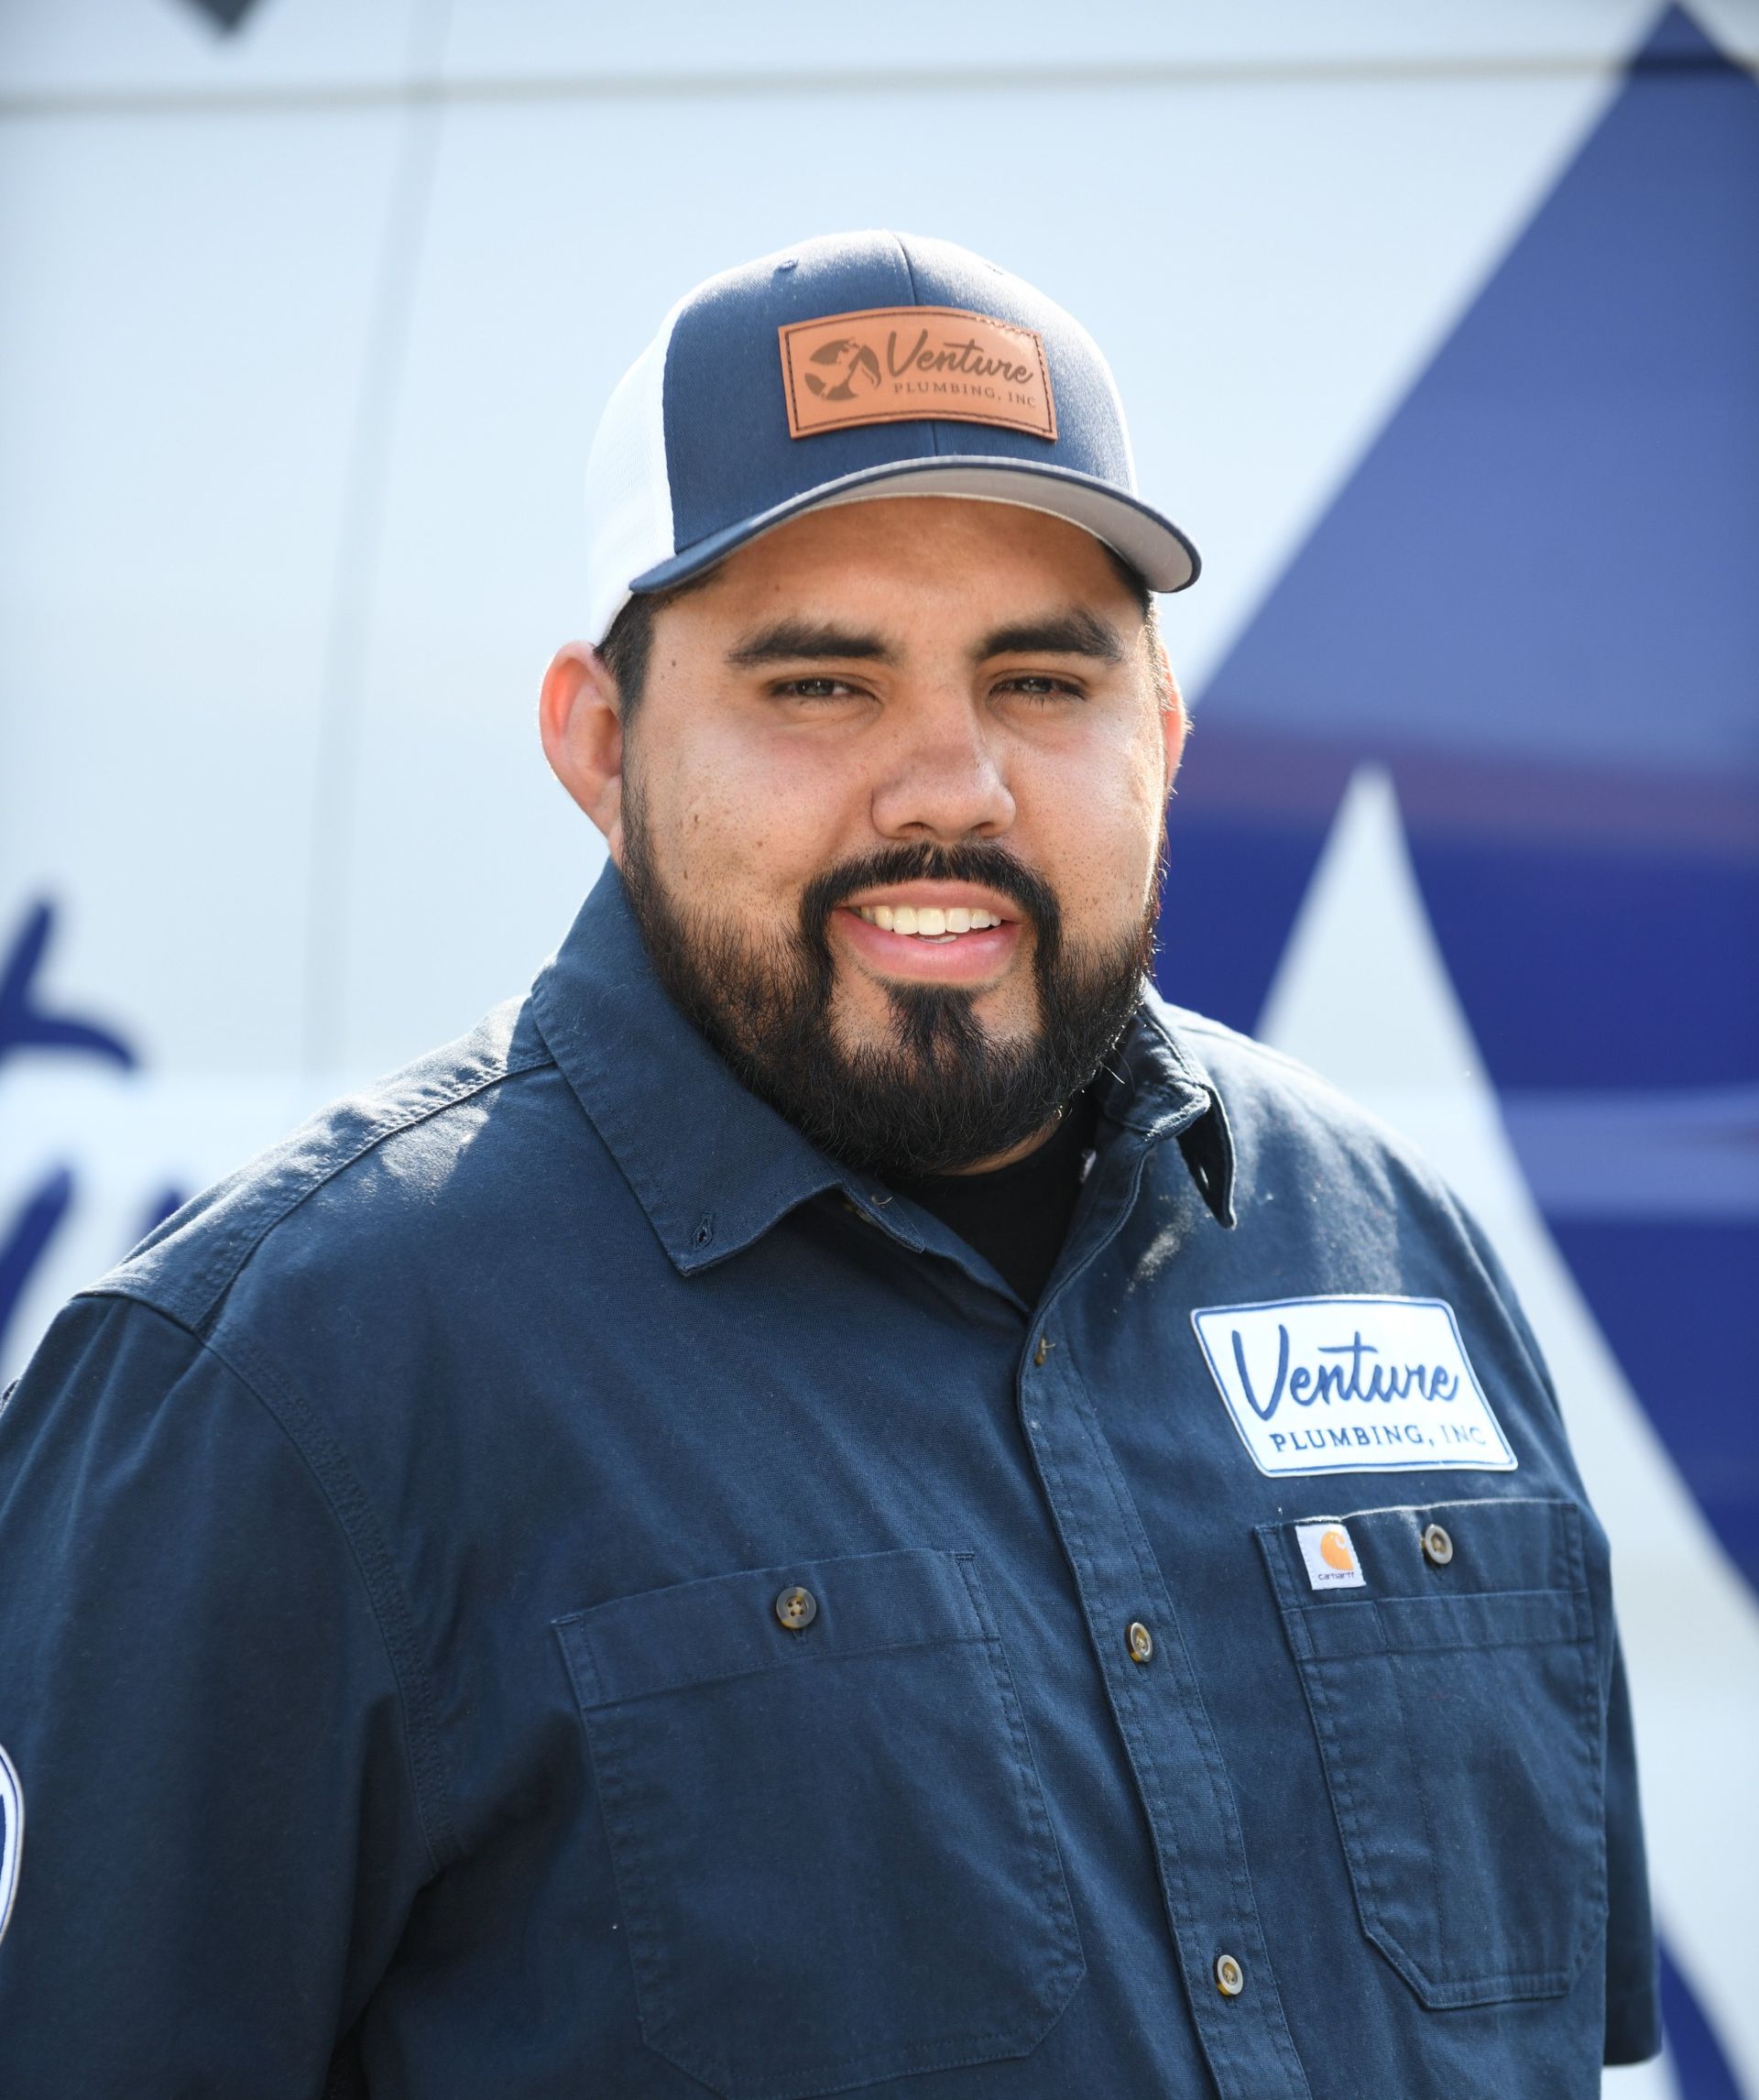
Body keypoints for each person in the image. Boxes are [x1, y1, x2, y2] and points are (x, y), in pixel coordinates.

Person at [0, 232, 1658, 2099]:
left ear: (1166, 739)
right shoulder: (284, 1380)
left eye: (1044, 683)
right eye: (821, 687)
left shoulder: (1390, 1257)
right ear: (601, 745)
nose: (950, 784)